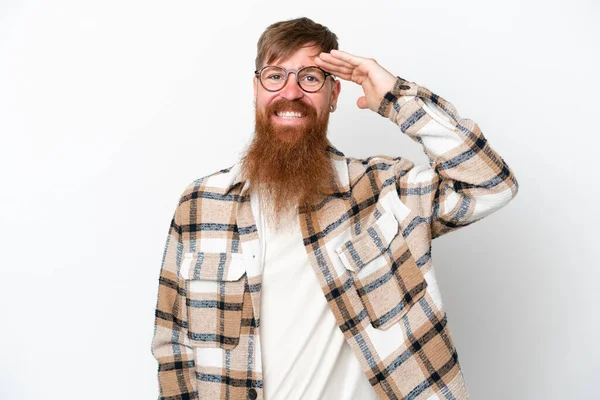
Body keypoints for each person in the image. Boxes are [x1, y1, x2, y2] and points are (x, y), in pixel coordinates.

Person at [151, 17, 518, 400]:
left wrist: (395, 97)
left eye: (310, 78)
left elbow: (490, 183)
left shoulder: (381, 190)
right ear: (256, 89)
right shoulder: (200, 204)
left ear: (334, 94)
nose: (290, 92)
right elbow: (173, 348)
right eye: (275, 76)